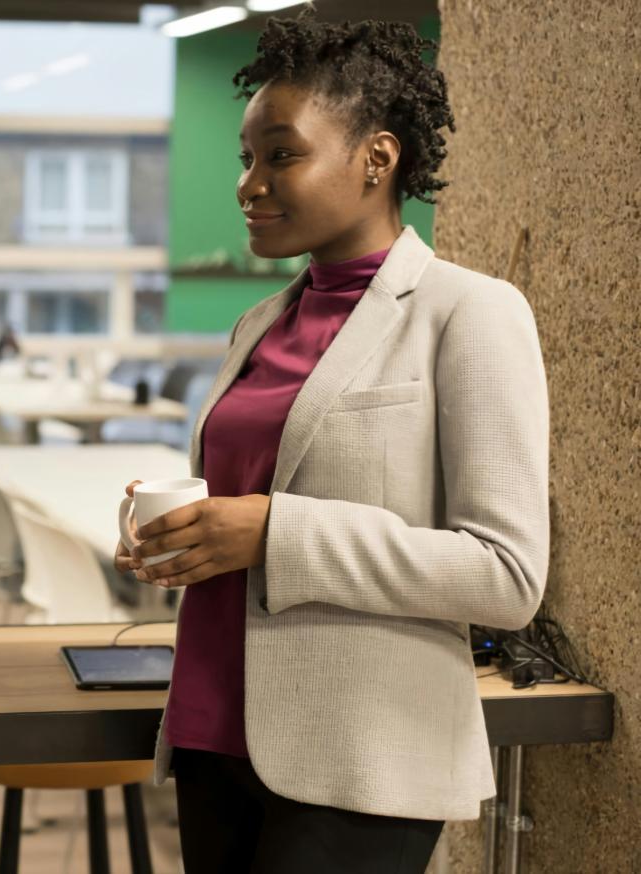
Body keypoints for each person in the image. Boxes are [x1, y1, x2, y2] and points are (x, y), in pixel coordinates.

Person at [114, 13, 548, 874]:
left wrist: (274, 532)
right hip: (212, 731)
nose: (248, 183)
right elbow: (234, 510)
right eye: (247, 157)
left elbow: (507, 573)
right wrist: (175, 537)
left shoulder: (468, 312)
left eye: (281, 155)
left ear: (377, 159)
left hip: (358, 757)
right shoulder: (259, 322)